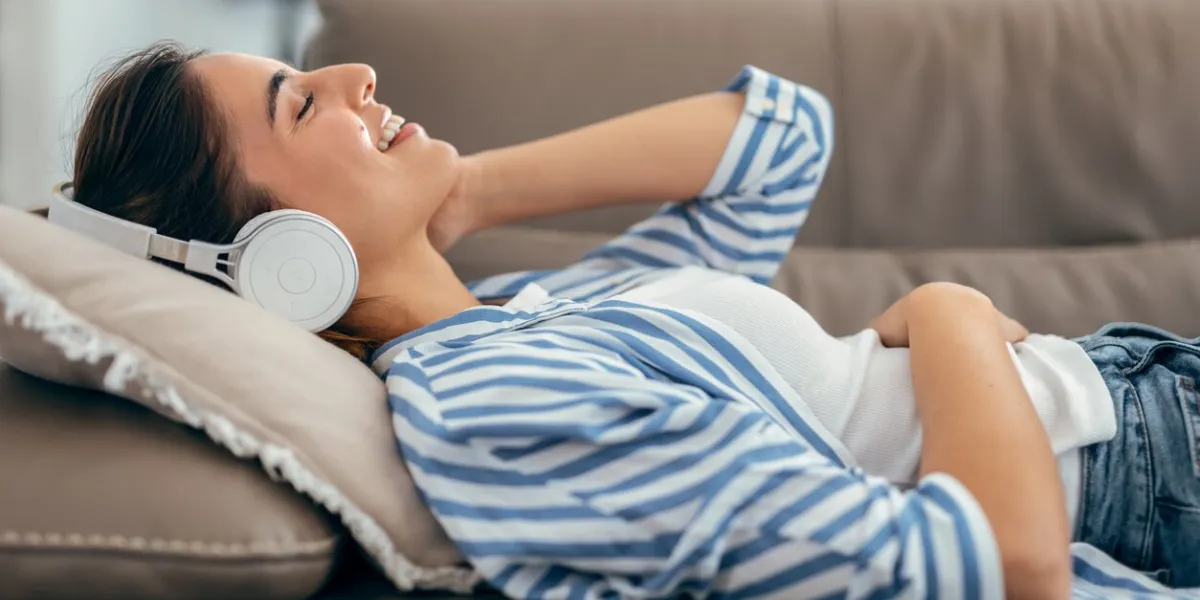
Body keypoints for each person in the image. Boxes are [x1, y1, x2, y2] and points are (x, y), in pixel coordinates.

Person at [65, 41, 1199, 598]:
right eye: (300, 103)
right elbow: (994, 568)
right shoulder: (494, 409)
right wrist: (951, 316)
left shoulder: (521, 321)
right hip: (1138, 478)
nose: (356, 72)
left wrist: (467, 191)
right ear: (281, 262)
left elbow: (776, 142)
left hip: (1144, 404)